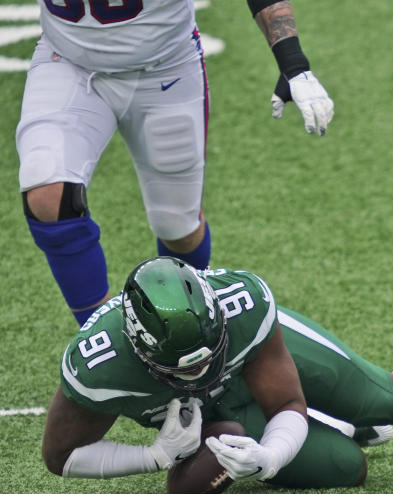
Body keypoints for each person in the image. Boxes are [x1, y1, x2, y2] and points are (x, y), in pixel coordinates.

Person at [43, 257, 393, 494]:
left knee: (378, 397)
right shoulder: (98, 364)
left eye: (211, 351)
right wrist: (155, 457)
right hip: (214, 419)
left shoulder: (244, 304)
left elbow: (287, 407)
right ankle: (345, 432)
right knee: (347, 467)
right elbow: (60, 459)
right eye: (185, 367)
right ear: (140, 352)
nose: (203, 368)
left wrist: (272, 457)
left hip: (259, 373)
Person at [17, 0, 334, 326]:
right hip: (68, 64)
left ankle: (183, 325)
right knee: (46, 189)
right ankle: (103, 336)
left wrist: (293, 61)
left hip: (166, 70)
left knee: (177, 228)